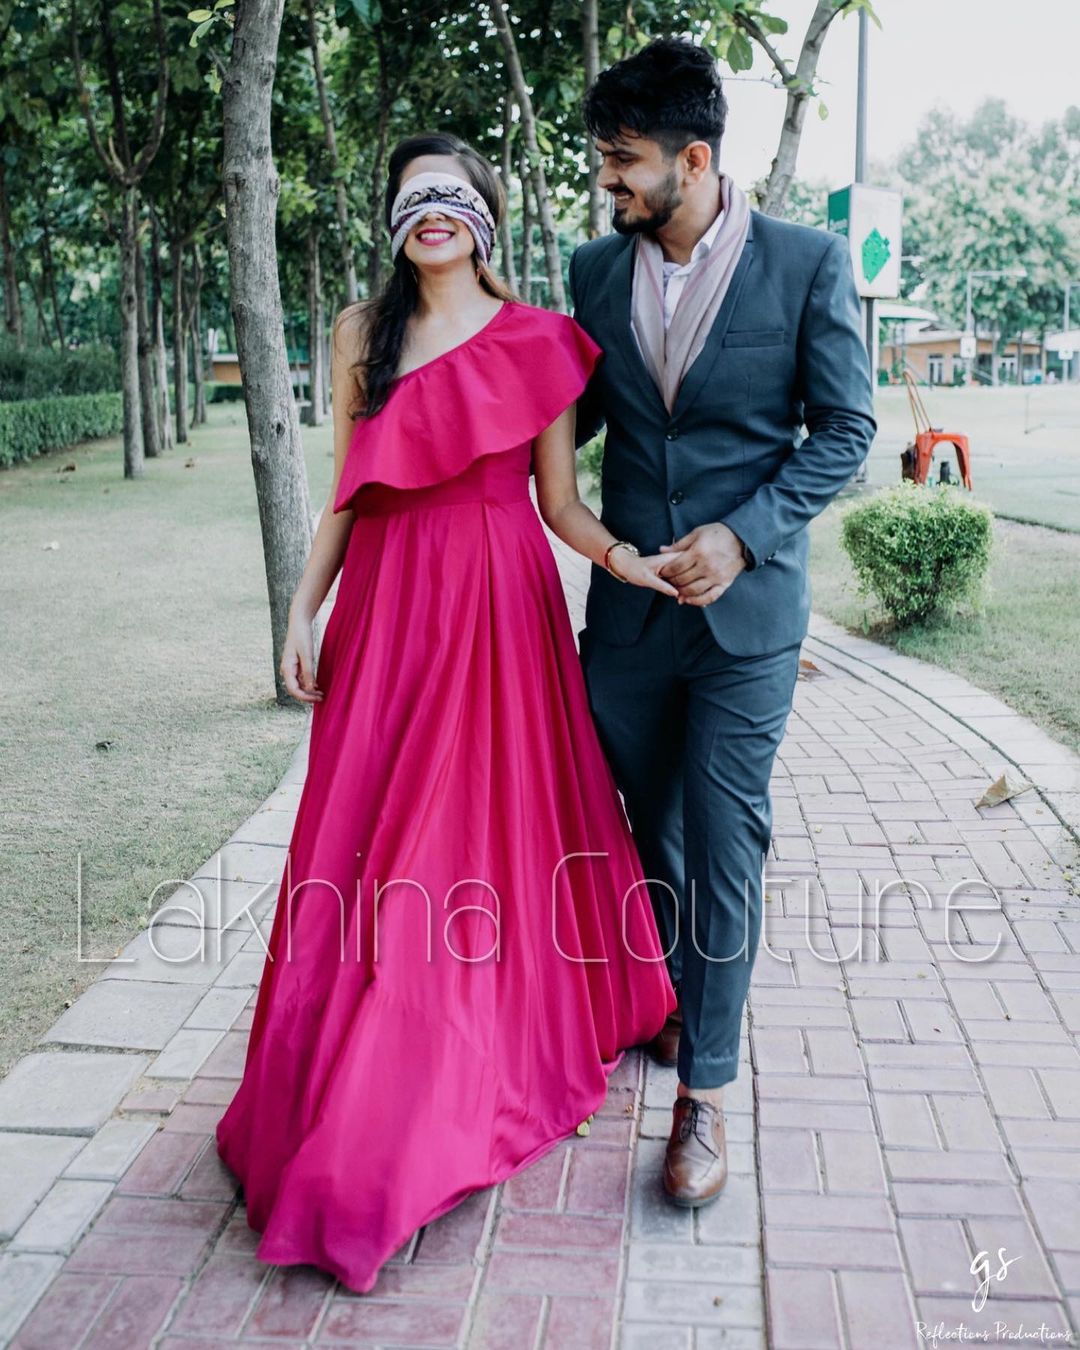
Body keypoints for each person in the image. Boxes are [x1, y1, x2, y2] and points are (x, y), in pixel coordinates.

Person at [215, 131, 677, 1294]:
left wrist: (625, 558)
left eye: (456, 198)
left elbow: (562, 506)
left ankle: (413, 1100)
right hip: (383, 616)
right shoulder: (359, 337)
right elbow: (343, 493)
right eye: (415, 198)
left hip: (496, 612)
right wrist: (297, 615)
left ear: (483, 218)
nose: (435, 215)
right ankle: (354, 1075)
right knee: (371, 847)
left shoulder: (538, 341)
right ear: (395, 222)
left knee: (467, 843)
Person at [568, 39, 876, 1208]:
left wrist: (743, 534)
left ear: (695, 159)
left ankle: (708, 1091)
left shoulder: (808, 263)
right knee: (655, 828)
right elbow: (569, 421)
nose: (612, 182)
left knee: (727, 834)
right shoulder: (595, 273)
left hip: (749, 618)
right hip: (631, 626)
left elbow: (844, 432)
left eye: (626, 162)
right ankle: (675, 998)